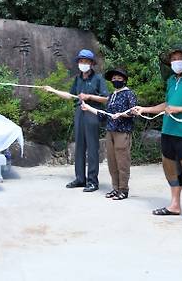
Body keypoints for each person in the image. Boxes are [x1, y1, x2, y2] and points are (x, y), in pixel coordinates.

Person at [132, 45, 182, 224]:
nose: (175, 62)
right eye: (173, 59)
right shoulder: (171, 81)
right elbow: (167, 104)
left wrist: (179, 109)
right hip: (168, 132)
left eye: (178, 58)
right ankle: (174, 205)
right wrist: (145, 109)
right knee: (170, 170)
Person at [45, 49, 108, 192]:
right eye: (81, 61)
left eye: (86, 61)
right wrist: (52, 90)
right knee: (79, 147)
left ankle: (92, 181)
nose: (83, 64)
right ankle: (80, 179)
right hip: (79, 113)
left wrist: (89, 97)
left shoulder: (98, 78)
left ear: (91, 63)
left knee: (92, 148)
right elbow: (70, 96)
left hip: (92, 113)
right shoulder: (77, 78)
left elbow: (106, 98)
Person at [81, 68, 137, 200]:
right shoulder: (112, 95)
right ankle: (115, 188)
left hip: (122, 132)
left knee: (122, 161)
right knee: (112, 161)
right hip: (110, 131)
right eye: (114, 78)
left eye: (119, 78)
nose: (116, 80)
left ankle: (123, 189)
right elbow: (105, 114)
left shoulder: (129, 94)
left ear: (124, 79)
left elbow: (134, 111)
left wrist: (122, 114)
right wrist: (88, 108)